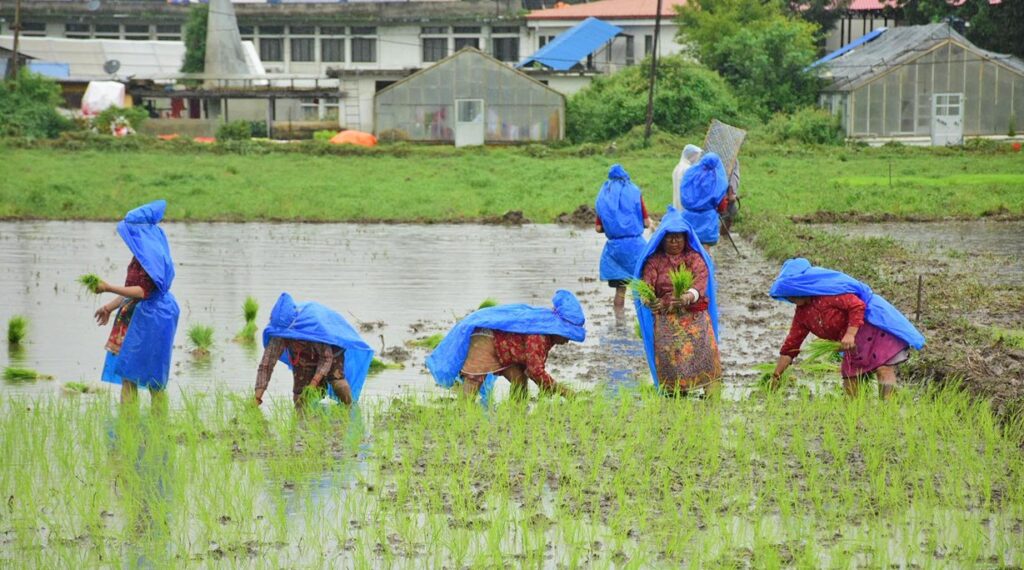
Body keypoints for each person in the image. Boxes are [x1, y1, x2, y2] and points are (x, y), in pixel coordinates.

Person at [767, 258, 926, 399]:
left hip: (871, 331)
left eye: (792, 293)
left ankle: (888, 411)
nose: (790, 298)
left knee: (883, 368)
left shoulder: (830, 294)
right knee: (851, 381)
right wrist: (777, 375)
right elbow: (791, 345)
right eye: (787, 295)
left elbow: (857, 306)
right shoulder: (802, 315)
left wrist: (850, 333)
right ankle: (857, 416)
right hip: (851, 344)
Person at [93, 200, 180, 414]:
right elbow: (132, 289)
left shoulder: (151, 256)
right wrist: (110, 307)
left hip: (152, 318)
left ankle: (154, 427)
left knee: (152, 379)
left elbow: (142, 291)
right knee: (129, 374)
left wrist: (108, 287)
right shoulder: (142, 254)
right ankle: (129, 429)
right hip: (143, 314)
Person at [425, 290, 586, 404]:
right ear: (556, 328)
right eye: (567, 335)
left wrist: (552, 389)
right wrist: (565, 393)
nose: (567, 340)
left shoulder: (544, 327)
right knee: (474, 380)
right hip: (486, 341)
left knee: (519, 380)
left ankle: (518, 415)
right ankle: (463, 414)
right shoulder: (539, 335)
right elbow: (535, 371)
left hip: (507, 351)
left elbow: (530, 369)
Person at [634, 208, 722, 397]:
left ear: (686, 238)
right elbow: (646, 284)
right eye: (669, 237)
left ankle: (710, 397)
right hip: (667, 322)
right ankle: (674, 402)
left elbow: (700, 281)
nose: (674, 242)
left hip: (695, 319)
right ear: (661, 239)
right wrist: (649, 299)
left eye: (678, 237)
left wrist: (686, 297)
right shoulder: (654, 261)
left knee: (705, 362)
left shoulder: (694, 258)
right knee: (672, 370)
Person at [255, 293, 374, 411]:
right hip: (303, 356)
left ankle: (350, 410)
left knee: (337, 382)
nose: (285, 337)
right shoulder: (278, 335)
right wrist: (257, 397)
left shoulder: (313, 327)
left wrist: (314, 382)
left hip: (331, 348)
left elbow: (326, 358)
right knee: (300, 398)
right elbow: (266, 365)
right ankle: (303, 423)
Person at [595, 164, 651, 314]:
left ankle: (619, 324)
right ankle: (643, 323)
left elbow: (598, 228)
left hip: (615, 250)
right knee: (643, 288)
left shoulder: (604, 195)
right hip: (635, 249)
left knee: (620, 291)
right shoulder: (634, 192)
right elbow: (646, 223)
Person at [679, 153, 729, 248]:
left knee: (689, 249)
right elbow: (721, 205)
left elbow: (683, 194)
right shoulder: (717, 180)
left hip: (688, 219)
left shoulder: (691, 174)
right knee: (705, 252)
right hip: (708, 221)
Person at [671, 144, 703, 211]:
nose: (697, 159)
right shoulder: (688, 169)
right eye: (696, 156)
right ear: (691, 155)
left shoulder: (677, 167)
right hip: (686, 205)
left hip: (677, 204)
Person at [721, 158, 741, 232]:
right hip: (728, 198)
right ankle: (724, 233)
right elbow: (731, 183)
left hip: (726, 196)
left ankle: (723, 233)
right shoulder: (733, 172)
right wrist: (731, 195)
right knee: (730, 214)